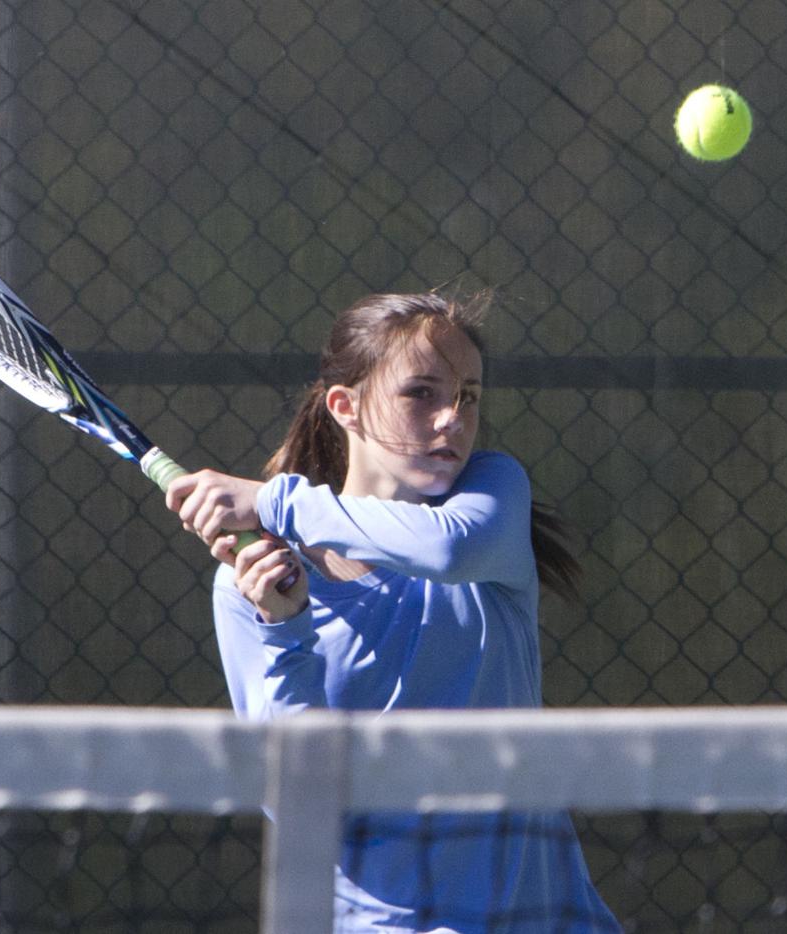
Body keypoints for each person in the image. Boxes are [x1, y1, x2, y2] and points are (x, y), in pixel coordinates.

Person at [166, 292, 621, 933]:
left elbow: (443, 546)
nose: (452, 419)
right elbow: (300, 800)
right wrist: (285, 632)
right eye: (422, 394)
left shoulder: (493, 496)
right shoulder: (247, 583)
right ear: (344, 406)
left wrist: (272, 501)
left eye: (468, 396)